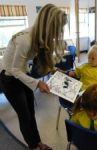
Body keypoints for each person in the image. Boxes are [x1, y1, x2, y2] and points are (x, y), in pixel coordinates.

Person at [0, 4, 67, 150]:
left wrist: (55, 69)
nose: (58, 33)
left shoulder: (40, 38)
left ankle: (38, 143)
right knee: (24, 116)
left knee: (31, 113)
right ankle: (33, 146)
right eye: (57, 29)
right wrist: (38, 84)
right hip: (9, 79)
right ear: (49, 25)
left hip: (22, 74)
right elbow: (14, 70)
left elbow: (40, 62)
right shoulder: (25, 39)